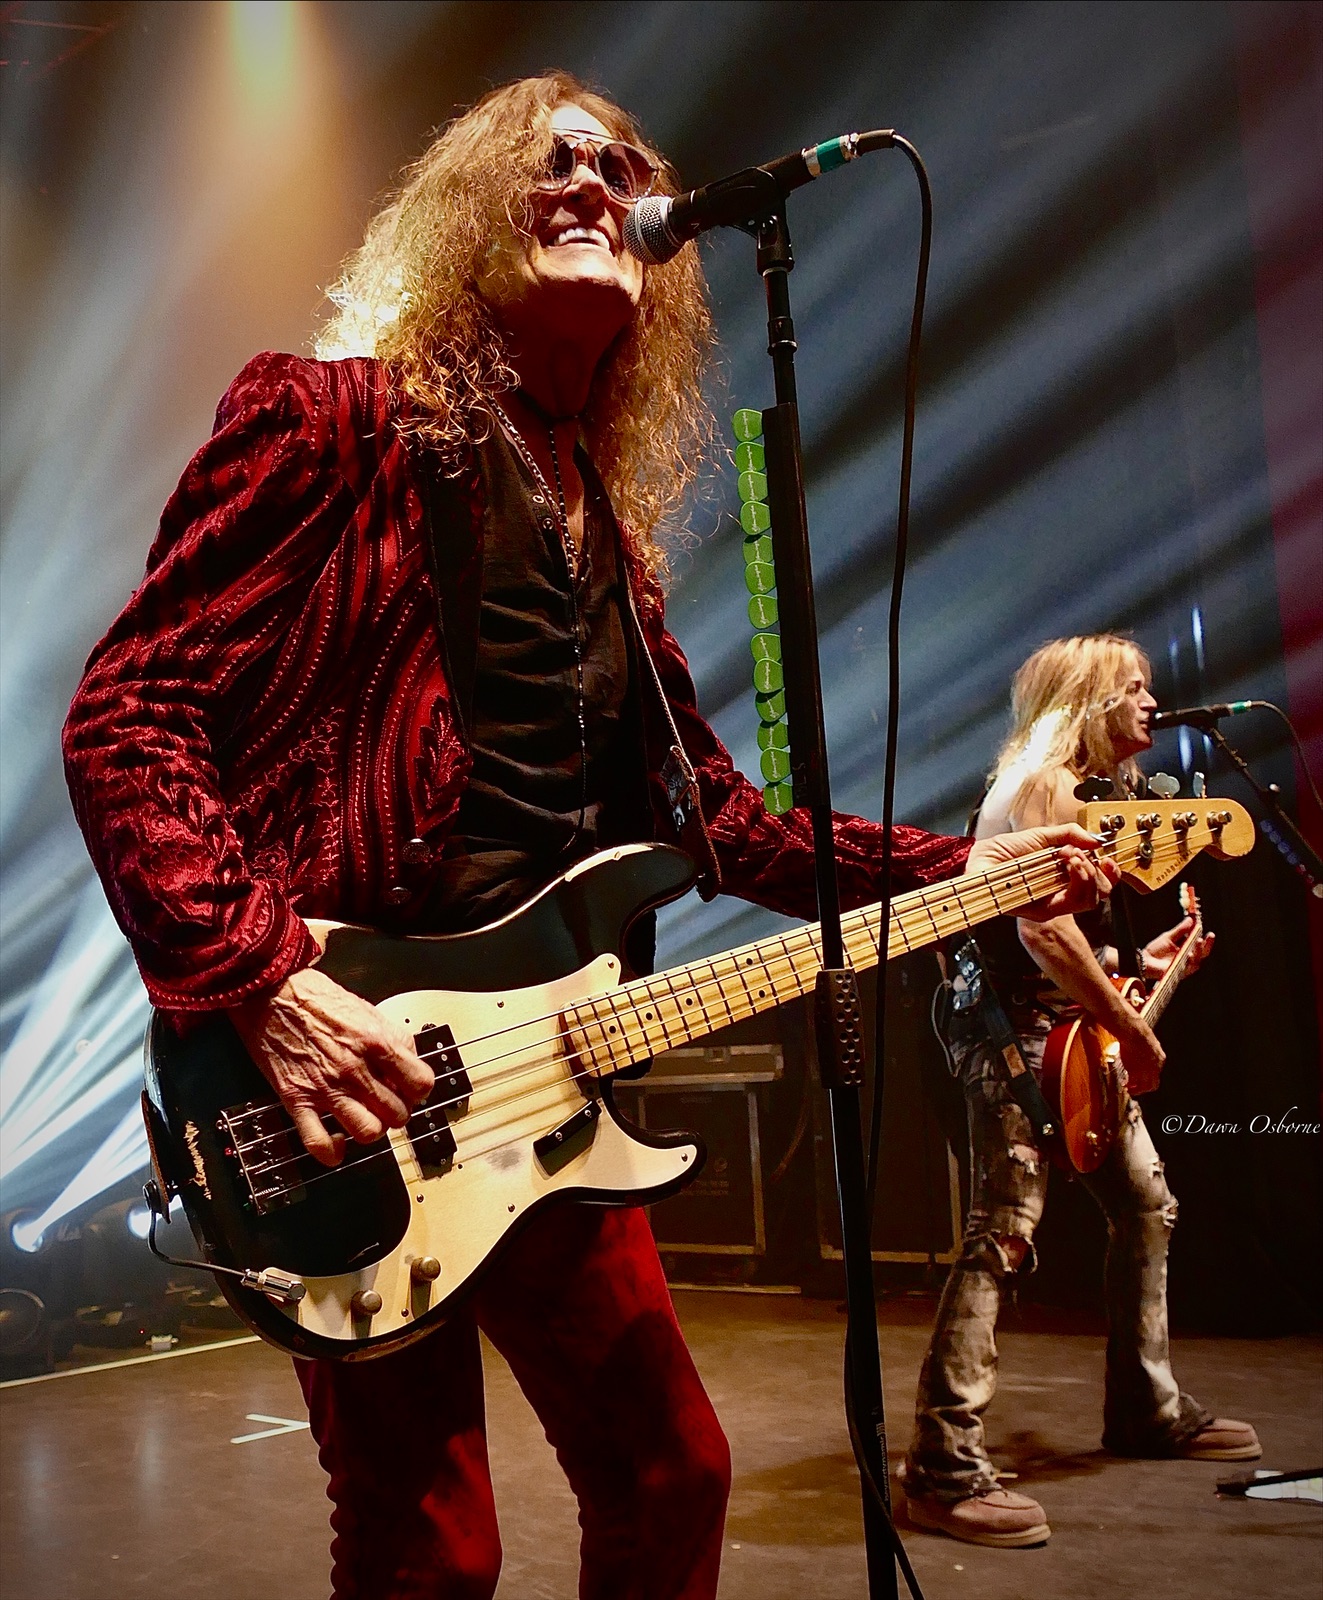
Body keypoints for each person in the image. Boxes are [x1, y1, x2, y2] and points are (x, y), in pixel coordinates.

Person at [64, 75, 1113, 1600]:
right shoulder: (329, 423)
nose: (589, 180)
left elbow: (723, 827)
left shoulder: (608, 546)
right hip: (347, 1078)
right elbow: (127, 717)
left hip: (542, 1087)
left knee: (670, 1474)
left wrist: (973, 870)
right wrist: (268, 982)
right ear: (466, 221)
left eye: (618, 165)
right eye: (547, 160)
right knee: (430, 1549)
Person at [901, 634, 1262, 1551]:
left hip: (1066, 1033)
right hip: (1011, 1037)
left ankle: (1146, 1408)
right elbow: (1039, 935)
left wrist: (1137, 967)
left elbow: (1071, 941)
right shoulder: (1042, 783)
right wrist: (1132, 1029)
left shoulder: (1081, 791)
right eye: (1131, 687)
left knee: (1144, 1205)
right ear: (1088, 697)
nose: (1150, 701)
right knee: (1002, 1230)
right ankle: (941, 1464)